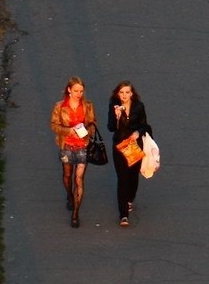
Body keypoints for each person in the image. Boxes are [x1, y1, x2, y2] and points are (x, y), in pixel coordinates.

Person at [50, 76, 96, 228]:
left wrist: (86, 132)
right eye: (76, 91)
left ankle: (75, 213)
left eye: (81, 91)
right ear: (69, 90)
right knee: (67, 175)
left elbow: (92, 124)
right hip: (67, 146)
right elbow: (54, 126)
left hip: (83, 146)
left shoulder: (88, 105)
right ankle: (69, 196)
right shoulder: (60, 106)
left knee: (79, 179)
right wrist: (69, 131)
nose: (79, 94)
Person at [107, 80, 150, 227]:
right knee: (122, 179)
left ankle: (130, 199)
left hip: (133, 146)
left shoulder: (139, 106)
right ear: (117, 94)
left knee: (133, 177)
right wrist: (117, 117)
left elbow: (145, 125)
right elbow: (111, 127)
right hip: (119, 146)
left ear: (132, 94)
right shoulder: (114, 106)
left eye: (127, 92)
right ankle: (123, 214)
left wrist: (138, 132)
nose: (124, 95)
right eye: (121, 92)